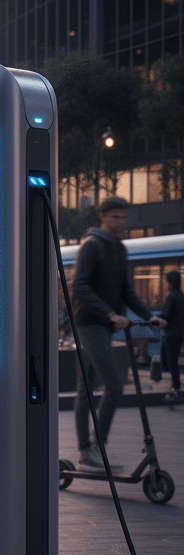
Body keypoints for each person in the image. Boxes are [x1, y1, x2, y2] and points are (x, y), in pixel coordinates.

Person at [71, 196, 166, 468]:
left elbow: (127, 291)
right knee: (113, 384)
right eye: (115, 217)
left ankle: (86, 451)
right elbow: (79, 286)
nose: (121, 222)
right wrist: (109, 313)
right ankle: (94, 448)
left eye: (124, 217)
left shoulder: (120, 249)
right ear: (103, 217)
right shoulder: (92, 245)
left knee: (85, 389)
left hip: (103, 324)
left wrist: (150, 317)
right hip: (88, 323)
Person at [159, 269, 184, 403]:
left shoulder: (172, 296)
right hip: (179, 333)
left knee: (171, 362)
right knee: (169, 359)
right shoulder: (181, 295)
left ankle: (176, 388)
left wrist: (153, 319)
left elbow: (166, 315)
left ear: (169, 281)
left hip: (171, 333)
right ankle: (175, 385)